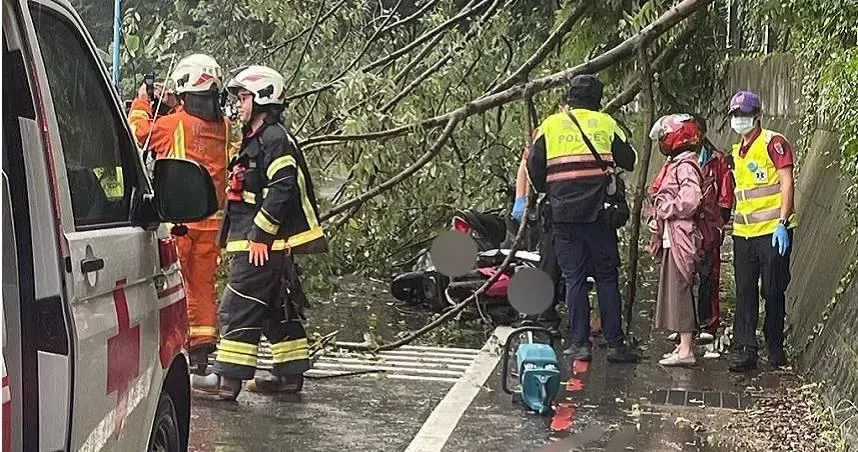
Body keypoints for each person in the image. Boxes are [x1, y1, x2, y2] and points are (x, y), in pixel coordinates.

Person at [192, 65, 327, 400]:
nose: (239, 105)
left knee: (238, 306)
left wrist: (260, 236)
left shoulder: (274, 139)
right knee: (274, 307)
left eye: (244, 97)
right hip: (267, 243)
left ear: (264, 97)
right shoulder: (260, 139)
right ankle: (289, 376)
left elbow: (282, 189)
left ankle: (226, 382)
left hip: (263, 244)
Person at [127, 53, 230, 372]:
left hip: (181, 224)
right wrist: (172, 102)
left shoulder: (172, 125)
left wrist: (143, 102)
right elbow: (194, 130)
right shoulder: (223, 126)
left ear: (186, 92)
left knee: (178, 286)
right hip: (213, 224)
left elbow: (138, 133)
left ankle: (179, 345)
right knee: (203, 285)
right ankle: (202, 348)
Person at [526, 74, 639, 363]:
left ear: (570, 98)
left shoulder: (549, 125)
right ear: (598, 99)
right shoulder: (606, 123)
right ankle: (614, 343)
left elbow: (533, 165)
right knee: (606, 277)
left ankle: (580, 344)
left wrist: (551, 191)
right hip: (600, 214)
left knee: (574, 278)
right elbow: (629, 159)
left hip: (563, 215)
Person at [726, 90, 797, 371]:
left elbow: (786, 183)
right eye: (735, 115)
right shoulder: (738, 150)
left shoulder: (773, 142)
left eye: (744, 115)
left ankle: (775, 345)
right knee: (744, 289)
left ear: (757, 116)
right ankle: (746, 348)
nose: (739, 120)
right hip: (744, 234)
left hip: (772, 232)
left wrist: (782, 222)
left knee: (772, 289)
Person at [645, 114, 704, 366]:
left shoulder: (686, 166)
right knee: (676, 289)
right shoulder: (678, 163)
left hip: (681, 236)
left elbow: (691, 199)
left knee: (681, 290)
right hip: (674, 236)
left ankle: (687, 349)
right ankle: (682, 345)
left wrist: (667, 208)